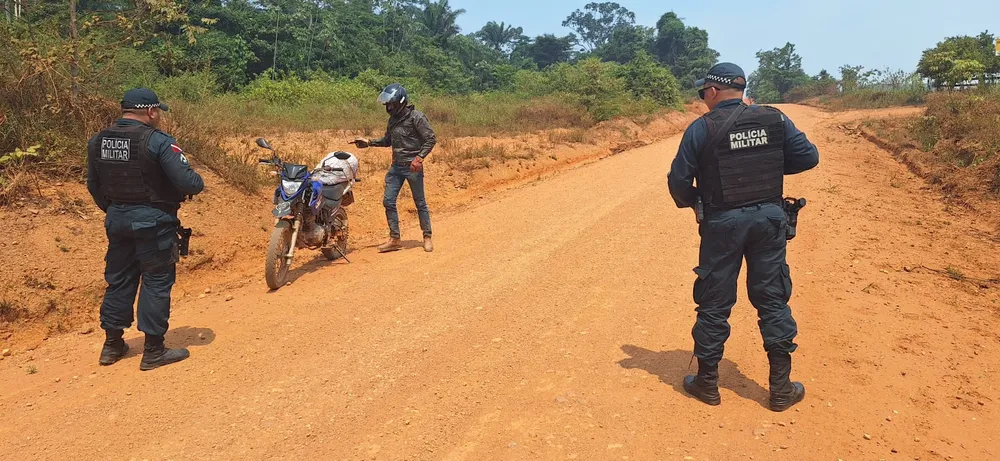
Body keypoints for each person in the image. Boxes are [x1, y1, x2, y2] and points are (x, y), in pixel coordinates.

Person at [667, 63, 819, 412]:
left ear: (713, 91)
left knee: (714, 302)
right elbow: (808, 157)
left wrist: (694, 203)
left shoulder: (701, 128)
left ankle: (707, 384)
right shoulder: (775, 119)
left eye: (702, 92)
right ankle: (780, 390)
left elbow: (678, 182)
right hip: (768, 220)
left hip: (722, 224)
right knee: (772, 299)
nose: (702, 98)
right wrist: (765, 163)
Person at [87, 88, 204, 371]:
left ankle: (112, 345)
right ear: (151, 111)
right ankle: (153, 351)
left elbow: (93, 185)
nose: (159, 116)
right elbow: (191, 183)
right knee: (156, 281)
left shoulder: (98, 140)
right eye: (158, 111)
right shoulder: (158, 141)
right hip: (153, 222)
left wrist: (116, 210)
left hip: (117, 220)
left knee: (120, 279)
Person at [352, 83, 436, 253]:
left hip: (413, 168)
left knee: (420, 202)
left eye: (390, 104)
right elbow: (387, 140)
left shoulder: (416, 117)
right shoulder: (392, 120)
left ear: (400, 102)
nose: (388, 107)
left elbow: (430, 139)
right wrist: (369, 142)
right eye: (387, 104)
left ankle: (427, 236)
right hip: (396, 167)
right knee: (388, 201)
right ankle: (395, 239)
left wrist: (419, 158)